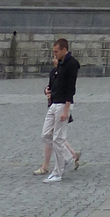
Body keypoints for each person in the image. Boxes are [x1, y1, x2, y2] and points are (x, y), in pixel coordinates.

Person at [34, 44, 80, 175]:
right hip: (53, 103)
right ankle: (68, 156)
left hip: (62, 104)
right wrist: (47, 91)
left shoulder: (71, 64)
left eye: (56, 52)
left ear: (64, 50)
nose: (54, 55)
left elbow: (70, 89)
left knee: (58, 138)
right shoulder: (57, 68)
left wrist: (66, 109)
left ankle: (56, 168)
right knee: (47, 135)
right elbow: (53, 85)